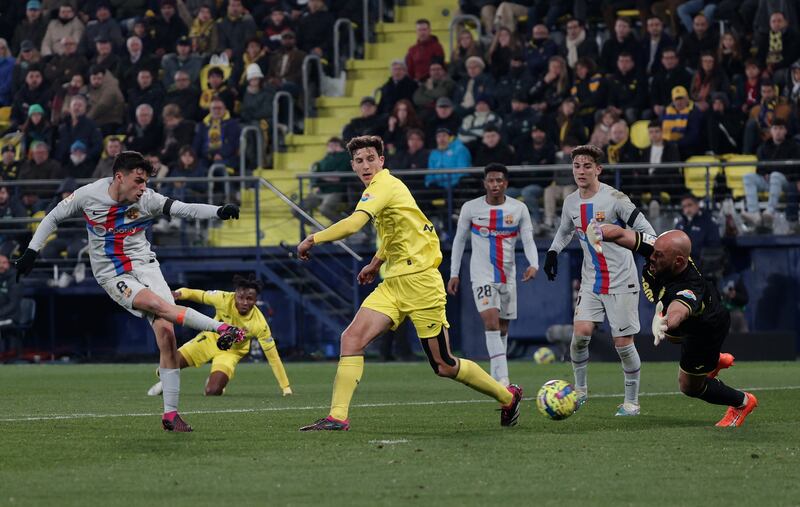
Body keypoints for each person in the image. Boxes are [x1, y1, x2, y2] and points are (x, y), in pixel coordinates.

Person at [294, 136, 523, 431]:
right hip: (394, 283)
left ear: (381, 161)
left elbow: (353, 224)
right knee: (351, 339)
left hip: (422, 282)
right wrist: (376, 264)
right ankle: (337, 416)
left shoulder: (384, 185)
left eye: (370, 159)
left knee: (443, 365)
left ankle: (508, 397)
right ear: (352, 165)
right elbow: (396, 232)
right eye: (360, 161)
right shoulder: (380, 191)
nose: (366, 165)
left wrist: (313, 238)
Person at [15, 151, 246, 432]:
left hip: (145, 265)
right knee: (160, 307)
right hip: (113, 273)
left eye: (146, 181)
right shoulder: (89, 195)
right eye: (138, 181)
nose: (143, 187)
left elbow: (183, 208)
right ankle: (221, 328)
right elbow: (52, 217)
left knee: (167, 333)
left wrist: (218, 211)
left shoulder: (147, 199)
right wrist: (31, 251)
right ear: (119, 177)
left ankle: (170, 415)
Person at [585, 224, 758, 427]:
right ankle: (712, 362)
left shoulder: (689, 286)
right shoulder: (659, 249)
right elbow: (622, 234)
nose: (651, 257)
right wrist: (598, 232)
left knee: (689, 387)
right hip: (694, 316)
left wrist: (664, 320)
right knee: (673, 335)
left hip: (705, 329)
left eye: (658, 256)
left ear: (678, 262)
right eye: (654, 252)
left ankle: (742, 402)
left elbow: (679, 310)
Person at [543, 144, 656, 416]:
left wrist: (648, 253)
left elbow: (647, 231)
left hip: (622, 281)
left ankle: (632, 403)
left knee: (623, 344)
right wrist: (553, 251)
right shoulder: (570, 202)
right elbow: (564, 231)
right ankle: (579, 392)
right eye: (577, 166)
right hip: (592, 281)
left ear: (598, 169)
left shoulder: (616, 199)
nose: (581, 171)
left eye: (587, 166)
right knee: (580, 335)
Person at [447, 163, 539, 386]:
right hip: (481, 275)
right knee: (490, 322)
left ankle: (497, 372)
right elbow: (459, 241)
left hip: (507, 275)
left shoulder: (519, 209)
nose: (495, 184)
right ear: (485, 183)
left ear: (506, 183)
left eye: (499, 180)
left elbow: (528, 239)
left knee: (503, 328)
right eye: (491, 180)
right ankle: (504, 380)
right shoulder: (471, 208)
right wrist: (454, 273)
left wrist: (534, 264)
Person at [146, 274, 292, 398]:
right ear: (235, 294)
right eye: (241, 297)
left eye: (250, 299)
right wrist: (179, 293)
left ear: (256, 300)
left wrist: (286, 388)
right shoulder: (223, 298)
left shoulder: (259, 324)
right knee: (164, 368)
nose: (244, 302)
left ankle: (215, 381)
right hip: (209, 340)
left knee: (212, 391)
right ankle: (165, 383)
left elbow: (273, 358)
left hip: (231, 352)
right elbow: (200, 295)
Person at [675, 194, 721, 261]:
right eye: (684, 206)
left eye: (690, 205)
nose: (687, 209)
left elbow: (714, 245)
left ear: (697, 205)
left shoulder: (708, 222)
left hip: (702, 263)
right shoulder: (680, 224)